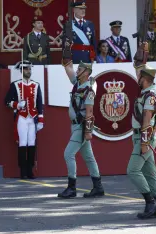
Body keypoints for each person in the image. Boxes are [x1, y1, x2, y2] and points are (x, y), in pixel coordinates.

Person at [58, 40, 104, 199]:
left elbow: (90, 113)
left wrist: (88, 132)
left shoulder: (89, 90)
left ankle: (72, 187)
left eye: (80, 69)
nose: (77, 70)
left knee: (68, 154)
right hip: (76, 126)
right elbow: (68, 67)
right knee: (89, 158)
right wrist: (66, 49)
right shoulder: (77, 83)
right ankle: (98, 186)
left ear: (86, 72)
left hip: (81, 127)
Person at [127, 42, 156, 219]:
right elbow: (138, 68)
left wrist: (144, 143)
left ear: (145, 79)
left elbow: (147, 119)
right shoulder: (147, 91)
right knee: (149, 172)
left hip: (144, 137)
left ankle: (150, 202)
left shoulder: (150, 95)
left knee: (132, 170)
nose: (137, 77)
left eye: (139, 75)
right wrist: (143, 52)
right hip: (143, 137)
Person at [4, 60, 44, 179]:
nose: (28, 71)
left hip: (33, 118)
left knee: (31, 143)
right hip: (21, 117)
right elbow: (6, 101)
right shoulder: (15, 85)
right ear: (22, 71)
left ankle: (30, 169)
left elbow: (39, 104)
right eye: (26, 69)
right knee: (22, 143)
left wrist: (41, 120)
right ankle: (22, 171)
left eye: (29, 69)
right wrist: (17, 104)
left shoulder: (36, 85)